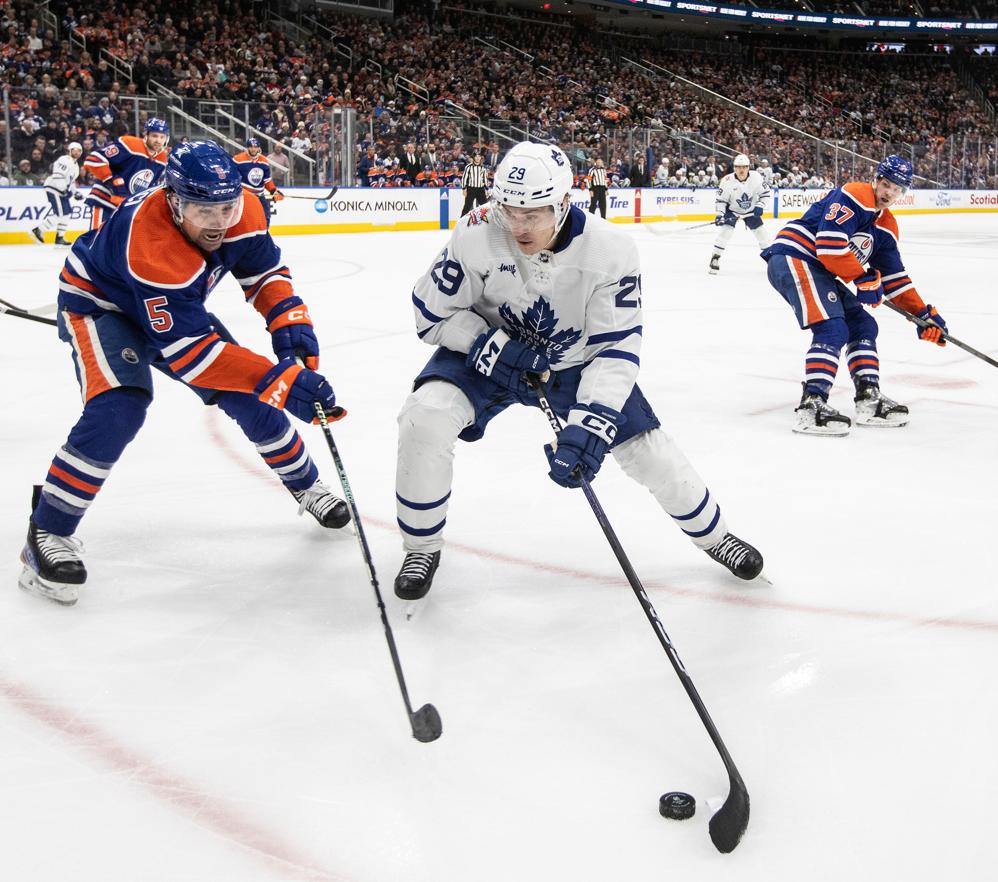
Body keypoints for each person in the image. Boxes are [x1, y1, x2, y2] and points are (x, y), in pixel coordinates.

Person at [392, 142, 764, 599]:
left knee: (648, 450)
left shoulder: (611, 250)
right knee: (424, 415)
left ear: (564, 202)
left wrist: (593, 421)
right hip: (488, 352)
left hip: (573, 363)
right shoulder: (476, 231)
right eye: (509, 210)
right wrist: (487, 346)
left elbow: (616, 348)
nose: (518, 226)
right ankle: (421, 546)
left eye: (534, 214)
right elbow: (429, 314)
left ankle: (716, 536)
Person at [18, 141, 347, 605]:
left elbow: (264, 271)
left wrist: (289, 321)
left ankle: (308, 485)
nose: (218, 221)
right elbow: (193, 356)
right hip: (102, 307)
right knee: (120, 408)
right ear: (174, 200)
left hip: (174, 309)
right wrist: (281, 379)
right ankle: (47, 532)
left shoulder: (244, 209)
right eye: (200, 209)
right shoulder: (151, 244)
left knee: (249, 397)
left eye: (227, 207)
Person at [760, 155, 948, 436]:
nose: (889, 193)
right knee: (832, 328)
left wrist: (923, 316)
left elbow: (894, 279)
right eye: (886, 185)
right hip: (794, 256)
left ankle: (868, 398)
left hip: (819, 269)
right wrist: (862, 278)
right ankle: (812, 405)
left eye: (897, 190)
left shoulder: (886, 227)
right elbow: (829, 245)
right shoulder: (855, 194)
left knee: (864, 325)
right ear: (876, 180)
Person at [83, 118, 169, 230]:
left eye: (162, 137)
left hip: (126, 208)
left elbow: (150, 187)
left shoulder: (162, 159)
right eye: (154, 136)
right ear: (146, 135)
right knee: (95, 243)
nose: (158, 140)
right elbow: (93, 159)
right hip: (105, 201)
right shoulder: (131, 144)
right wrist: (112, 181)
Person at [709, 154, 771, 275]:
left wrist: (760, 205)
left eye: (744, 167)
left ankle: (771, 261)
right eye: (738, 167)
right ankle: (715, 258)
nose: (741, 170)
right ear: (734, 168)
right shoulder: (726, 181)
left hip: (751, 211)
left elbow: (765, 194)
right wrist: (720, 214)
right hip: (732, 210)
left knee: (762, 234)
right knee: (725, 232)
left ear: (748, 167)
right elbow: (721, 201)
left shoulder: (757, 177)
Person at [30, 141, 83, 247]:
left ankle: (60, 237)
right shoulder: (64, 160)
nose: (77, 152)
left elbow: (70, 182)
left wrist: (75, 192)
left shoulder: (76, 166)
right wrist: (64, 190)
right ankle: (38, 230)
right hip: (54, 188)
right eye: (75, 150)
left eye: (79, 151)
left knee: (67, 213)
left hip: (61, 190)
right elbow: (58, 176)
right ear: (70, 150)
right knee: (61, 213)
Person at [232, 136, 284, 227]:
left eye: (255, 147)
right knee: (244, 221)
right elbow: (232, 178)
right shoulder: (238, 160)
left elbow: (267, 180)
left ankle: (263, 237)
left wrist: (274, 191)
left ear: (258, 148)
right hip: (245, 196)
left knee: (265, 217)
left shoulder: (263, 161)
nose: (253, 149)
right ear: (247, 147)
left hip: (259, 196)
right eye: (251, 147)